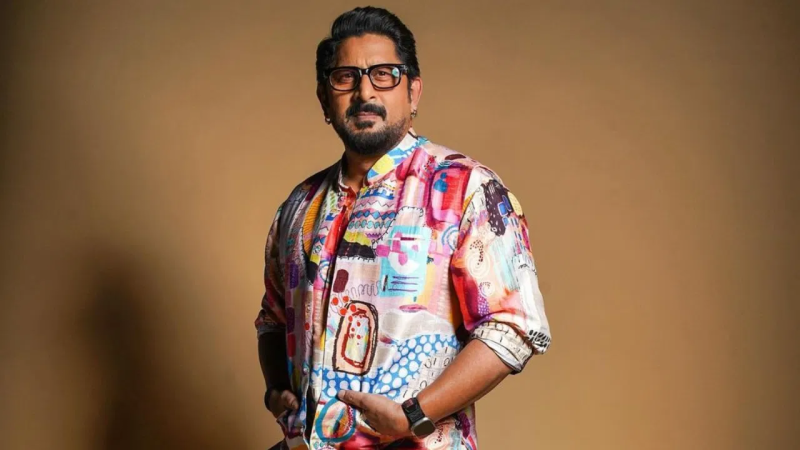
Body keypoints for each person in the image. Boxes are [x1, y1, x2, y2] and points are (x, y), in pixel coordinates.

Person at [255, 6, 552, 449]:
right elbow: (273, 318)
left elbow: (514, 326)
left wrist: (413, 416)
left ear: (413, 91)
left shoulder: (466, 189)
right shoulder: (299, 206)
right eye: (346, 78)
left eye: (384, 75)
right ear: (324, 98)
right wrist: (276, 391)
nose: (364, 92)